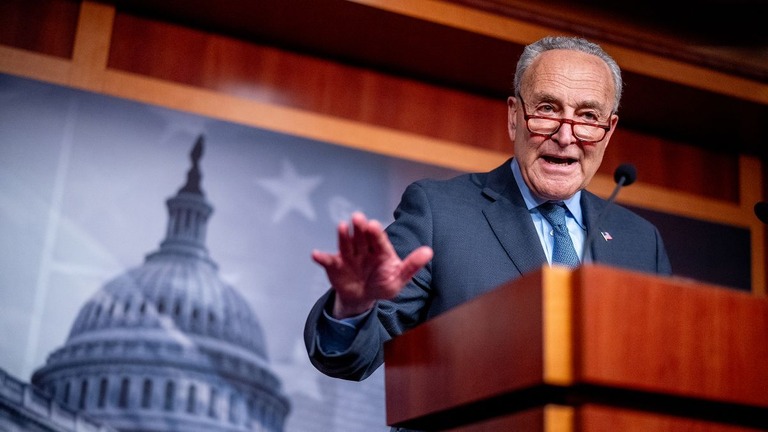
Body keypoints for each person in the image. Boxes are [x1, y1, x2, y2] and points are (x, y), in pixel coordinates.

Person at [304, 35, 672, 430]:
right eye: (547, 109)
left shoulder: (640, 241)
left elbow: (666, 377)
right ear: (514, 115)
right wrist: (354, 308)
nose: (566, 137)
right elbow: (353, 357)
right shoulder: (440, 212)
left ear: (609, 128)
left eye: (587, 117)